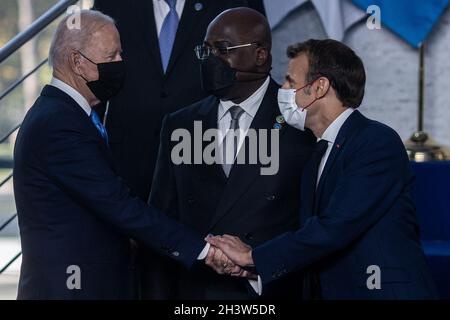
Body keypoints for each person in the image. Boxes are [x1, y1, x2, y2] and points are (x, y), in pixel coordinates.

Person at [13, 10, 225, 300]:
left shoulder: (70, 115)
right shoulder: (59, 124)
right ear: (78, 62)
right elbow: (120, 206)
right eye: (111, 56)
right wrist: (204, 250)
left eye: (120, 55)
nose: (121, 64)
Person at [207, 39, 439, 300]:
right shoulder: (317, 154)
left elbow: (335, 227)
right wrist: (254, 270)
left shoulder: (375, 141)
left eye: (290, 81)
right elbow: (314, 243)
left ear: (319, 86)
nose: (282, 90)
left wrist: (252, 256)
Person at [146, 7, 316, 300]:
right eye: (206, 50)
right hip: (196, 294)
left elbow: (313, 227)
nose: (210, 60)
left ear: (260, 55)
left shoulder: (300, 122)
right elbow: (160, 224)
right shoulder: (180, 124)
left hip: (271, 294)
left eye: (222, 50)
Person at [92, 0, 251, 202]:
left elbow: (246, 77)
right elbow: (95, 77)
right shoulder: (112, 4)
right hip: (127, 160)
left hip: (201, 155)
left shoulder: (227, 4)